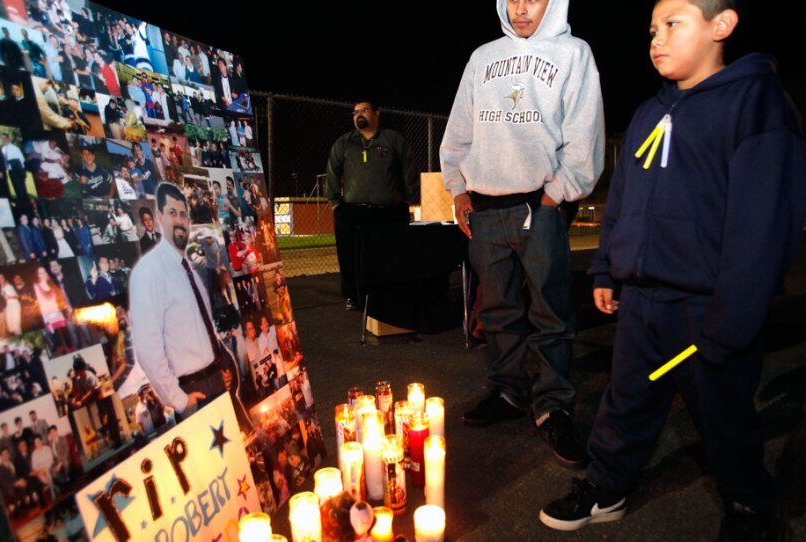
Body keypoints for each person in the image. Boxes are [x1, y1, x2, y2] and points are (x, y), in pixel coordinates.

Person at [539, 0, 806, 536]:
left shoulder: (756, 102)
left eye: (673, 24)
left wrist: (733, 317)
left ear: (722, 25)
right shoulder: (647, 112)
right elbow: (624, 200)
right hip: (642, 300)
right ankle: (608, 487)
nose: (656, 38)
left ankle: (749, 505)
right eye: (652, 29)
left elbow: (763, 221)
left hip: (709, 303)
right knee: (627, 398)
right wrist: (608, 271)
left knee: (723, 413)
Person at [439, 0, 604, 466]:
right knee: (498, 310)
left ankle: (553, 406)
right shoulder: (483, 57)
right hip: (485, 209)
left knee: (551, 313)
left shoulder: (574, 53)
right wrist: (458, 189)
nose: (519, 8)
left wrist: (556, 196)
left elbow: (584, 132)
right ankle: (509, 391)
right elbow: (459, 131)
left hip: (540, 204)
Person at [130, 183, 252, 433]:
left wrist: (221, 370)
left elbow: (202, 332)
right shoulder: (148, 272)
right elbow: (147, 350)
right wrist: (179, 399)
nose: (180, 220)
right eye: (172, 213)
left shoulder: (187, 268)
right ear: (159, 218)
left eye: (183, 214)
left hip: (216, 382)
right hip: (192, 392)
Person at [325, 101, 418, 310]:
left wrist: (406, 200)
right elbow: (332, 172)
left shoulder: (393, 140)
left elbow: (409, 171)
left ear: (376, 114)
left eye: (364, 110)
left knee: (389, 257)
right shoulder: (345, 143)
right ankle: (352, 296)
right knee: (350, 257)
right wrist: (335, 204)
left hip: (388, 213)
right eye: (355, 112)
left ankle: (386, 297)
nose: (359, 114)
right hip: (352, 212)